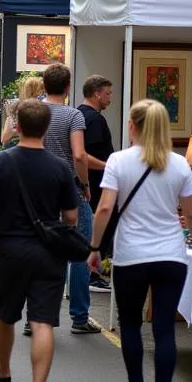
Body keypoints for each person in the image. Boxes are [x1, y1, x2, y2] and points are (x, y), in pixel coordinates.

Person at [88, 99, 192, 382]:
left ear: (134, 126)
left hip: (132, 256)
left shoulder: (118, 161)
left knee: (130, 323)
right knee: (164, 327)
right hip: (170, 253)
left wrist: (95, 246)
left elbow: (104, 209)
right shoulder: (179, 164)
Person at [0, 99, 80, 382]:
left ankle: (5, 373)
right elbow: (72, 217)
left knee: (5, 315)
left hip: (9, 249)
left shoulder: (0, 162)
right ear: (47, 128)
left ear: (17, 126)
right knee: (42, 321)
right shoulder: (60, 167)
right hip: (48, 252)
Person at [41, 62, 96, 334]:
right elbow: (78, 155)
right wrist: (84, 184)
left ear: (43, 85)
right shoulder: (74, 116)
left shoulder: (35, 112)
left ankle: (38, 316)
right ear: (67, 87)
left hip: (40, 187)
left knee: (44, 249)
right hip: (68, 187)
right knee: (79, 249)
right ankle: (79, 317)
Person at [78, 75, 115, 291]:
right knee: (100, 226)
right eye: (108, 93)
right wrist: (109, 166)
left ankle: (92, 271)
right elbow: (84, 154)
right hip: (96, 182)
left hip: (90, 183)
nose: (110, 98)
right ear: (96, 93)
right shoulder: (94, 120)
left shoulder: (78, 115)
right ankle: (93, 273)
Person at [1, 75, 45, 147]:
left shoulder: (16, 107)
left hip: (16, 148)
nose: (43, 93)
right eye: (42, 89)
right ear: (36, 91)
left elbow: (4, 139)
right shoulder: (40, 109)